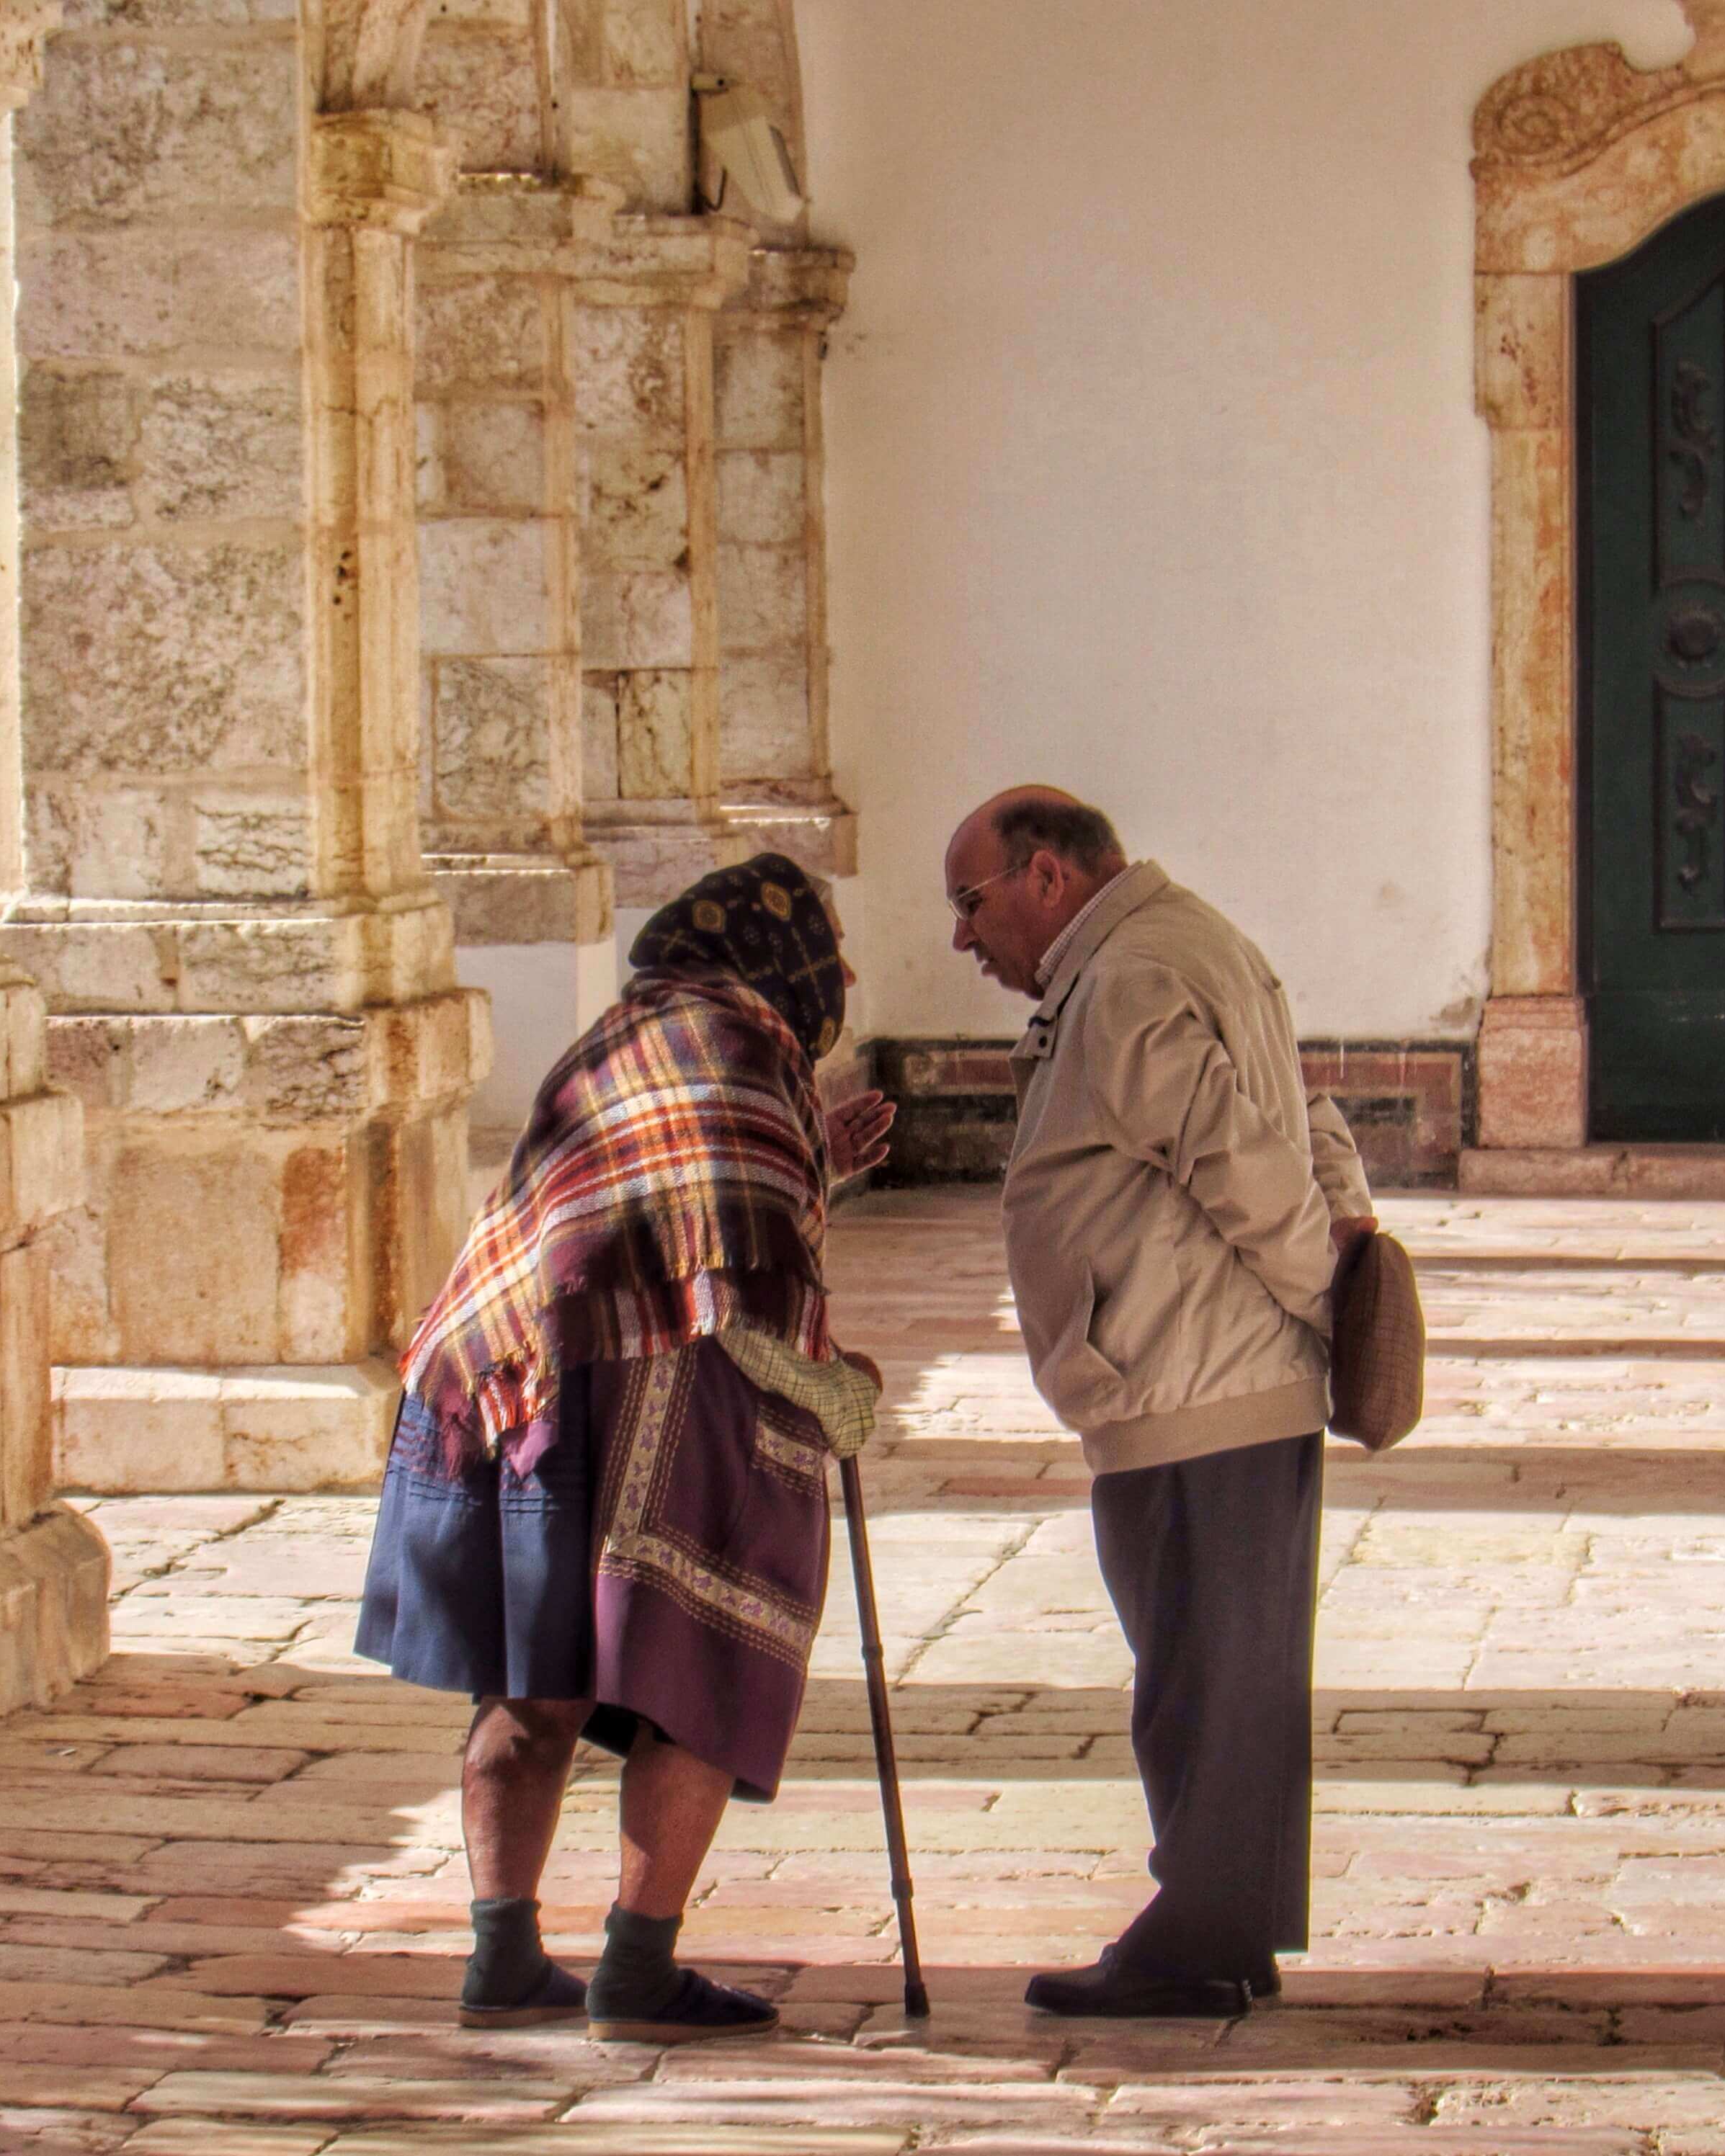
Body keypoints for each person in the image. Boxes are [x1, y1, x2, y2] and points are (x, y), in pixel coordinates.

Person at [358, 852, 896, 2044]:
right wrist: (835, 1389)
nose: (841, 976)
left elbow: (667, 1187)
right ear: (783, 956)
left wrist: (818, 1145)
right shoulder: (744, 1047)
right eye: (832, 953)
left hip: (518, 1386)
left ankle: (501, 1955)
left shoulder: (632, 1031)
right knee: (696, 1670)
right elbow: (738, 1271)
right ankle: (638, 1969)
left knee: (532, 1675)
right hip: (661, 1386)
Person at [945, 787, 1374, 2017]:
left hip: (1199, 1376)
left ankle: (1197, 1935)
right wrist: (1335, 1258)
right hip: (1201, 1371)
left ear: (1045, 878)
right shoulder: (1184, 940)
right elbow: (1308, 1112)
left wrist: (1324, 1302)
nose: (965, 941)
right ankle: (1223, 1924)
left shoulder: (1129, 976)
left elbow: (1241, 1157)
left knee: (1200, 1672)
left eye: (971, 905)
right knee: (1220, 1669)